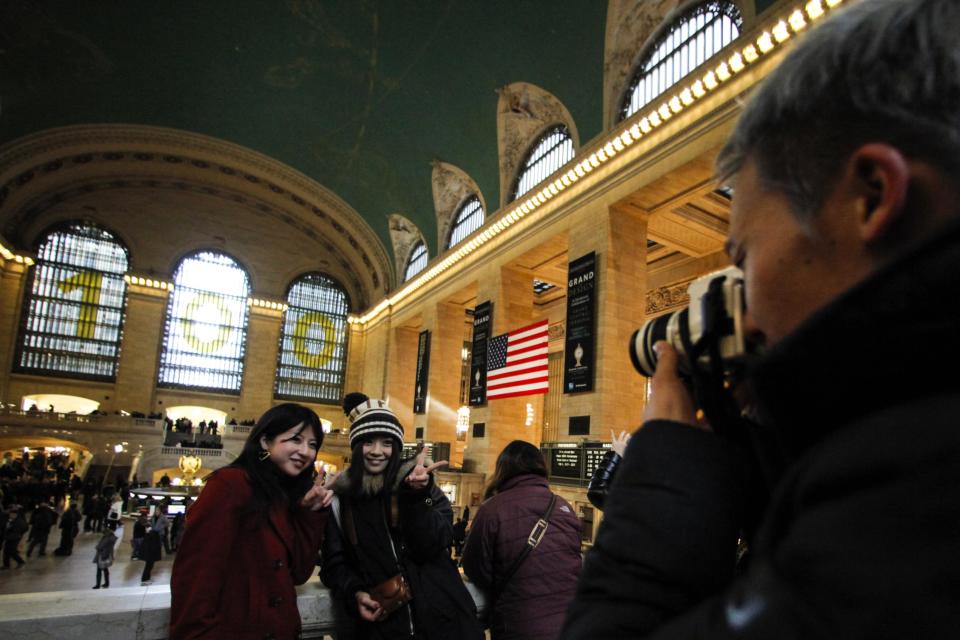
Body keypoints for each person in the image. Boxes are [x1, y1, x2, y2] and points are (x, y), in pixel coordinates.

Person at [563, 1, 960, 638]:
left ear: (873, 196)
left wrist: (672, 458)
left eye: (742, 257)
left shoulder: (912, 499)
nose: (741, 303)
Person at [321, 393, 483, 640]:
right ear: (355, 447)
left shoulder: (423, 489)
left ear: (396, 448)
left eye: (386, 443)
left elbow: (435, 541)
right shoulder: (340, 502)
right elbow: (334, 564)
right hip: (383, 628)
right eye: (368, 442)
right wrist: (355, 592)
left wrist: (418, 498)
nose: (377, 452)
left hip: (445, 624)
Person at [170, 403, 333, 639]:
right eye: (296, 440)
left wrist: (309, 513)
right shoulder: (230, 485)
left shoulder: (284, 494)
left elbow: (298, 573)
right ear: (266, 441)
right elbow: (196, 578)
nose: (306, 452)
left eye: (312, 444)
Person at [461, 441, 581, 640]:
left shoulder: (492, 509)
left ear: (503, 469)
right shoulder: (564, 507)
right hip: (570, 625)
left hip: (519, 625)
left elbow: (475, 568)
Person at [92, 520, 117, 589]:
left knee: (99, 570)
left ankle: (98, 584)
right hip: (106, 555)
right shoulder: (111, 538)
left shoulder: (107, 538)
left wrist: (97, 546)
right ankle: (106, 583)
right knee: (105, 570)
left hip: (102, 556)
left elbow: (99, 547)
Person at [1, 505, 28, 569]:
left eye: (13, 514)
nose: (11, 515)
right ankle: (6, 565)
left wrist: (18, 534)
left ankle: (21, 561)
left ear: (16, 515)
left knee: (12, 551)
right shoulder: (8, 519)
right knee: (6, 551)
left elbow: (25, 528)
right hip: (8, 538)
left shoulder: (19, 521)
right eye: (10, 514)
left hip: (15, 538)